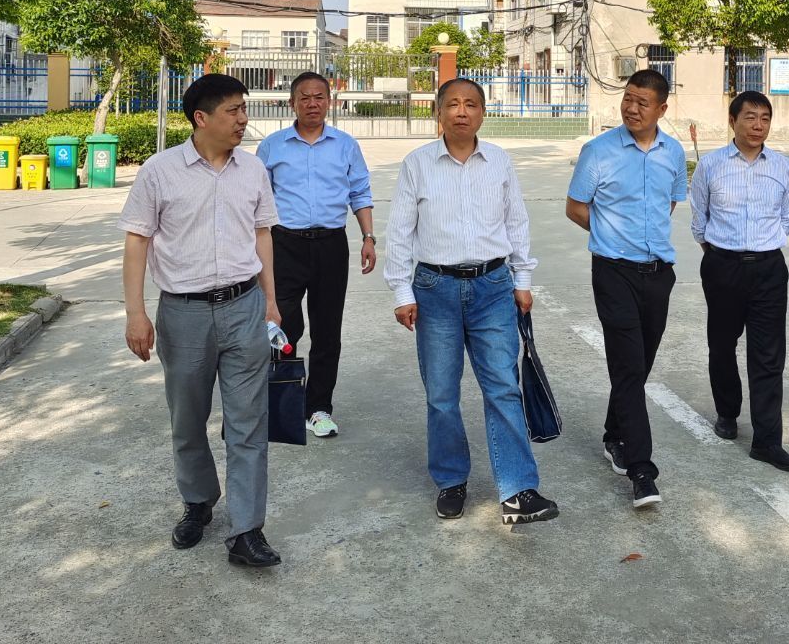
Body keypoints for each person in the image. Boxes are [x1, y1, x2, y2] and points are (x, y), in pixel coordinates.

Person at [119, 73, 283, 567]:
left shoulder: (252, 170)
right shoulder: (160, 171)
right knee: (187, 419)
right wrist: (135, 313)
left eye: (244, 109)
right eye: (233, 111)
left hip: (244, 307)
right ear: (201, 118)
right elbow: (137, 241)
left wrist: (271, 301)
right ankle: (198, 502)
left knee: (248, 422)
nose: (243, 119)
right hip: (183, 313)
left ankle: (247, 530)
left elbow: (262, 235)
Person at [385, 77, 559, 526]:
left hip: (493, 288)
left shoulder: (499, 161)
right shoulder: (417, 164)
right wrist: (402, 291)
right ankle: (451, 480)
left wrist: (523, 279)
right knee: (442, 394)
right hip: (435, 290)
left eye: (471, 104)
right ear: (438, 112)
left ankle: (517, 489)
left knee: (502, 386)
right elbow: (400, 230)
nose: (461, 112)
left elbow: (516, 222)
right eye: (453, 104)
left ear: (483, 112)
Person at [565, 68, 687, 510]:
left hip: (658, 274)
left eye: (643, 103)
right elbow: (575, 207)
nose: (632, 109)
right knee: (629, 366)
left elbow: (668, 202)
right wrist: (610, 235)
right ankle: (641, 470)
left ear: (662, 109)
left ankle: (614, 434)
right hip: (613, 271)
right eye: (628, 99)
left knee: (639, 364)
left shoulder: (673, 153)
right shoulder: (598, 152)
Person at [256, 70, 376, 438]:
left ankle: (319, 408)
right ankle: (284, 403)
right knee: (282, 326)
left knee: (327, 330)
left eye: (319, 97)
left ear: (330, 101)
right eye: (304, 97)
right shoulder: (272, 147)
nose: (312, 103)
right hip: (284, 244)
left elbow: (360, 192)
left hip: (330, 245)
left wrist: (368, 237)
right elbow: (257, 201)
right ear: (291, 103)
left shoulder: (345, 145)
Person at [689, 90, 789, 472]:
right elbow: (699, 220)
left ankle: (767, 441)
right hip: (723, 266)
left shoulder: (782, 166)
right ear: (732, 121)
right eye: (750, 117)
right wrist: (720, 255)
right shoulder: (711, 165)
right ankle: (727, 411)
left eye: (765, 118)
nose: (758, 125)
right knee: (722, 345)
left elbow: (787, 218)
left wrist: (764, 247)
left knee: (768, 355)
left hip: (769, 269)